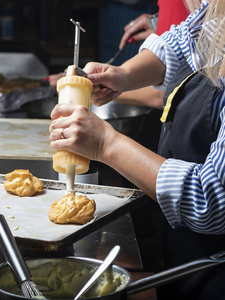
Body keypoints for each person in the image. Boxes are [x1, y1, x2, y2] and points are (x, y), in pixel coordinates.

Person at [49, 0, 225, 299]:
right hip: (189, 252)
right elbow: (187, 40)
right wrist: (124, 75)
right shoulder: (219, 15)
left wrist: (107, 143)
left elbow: (211, 199)